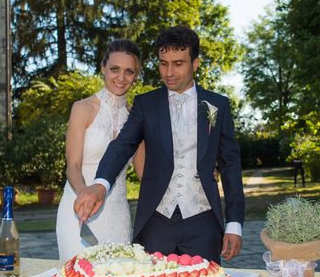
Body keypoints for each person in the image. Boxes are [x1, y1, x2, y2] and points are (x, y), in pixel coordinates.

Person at [74, 26, 245, 264]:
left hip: (203, 222)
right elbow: (122, 146)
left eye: (178, 63)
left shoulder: (218, 105)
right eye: (163, 63)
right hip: (156, 223)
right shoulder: (146, 104)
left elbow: (230, 167)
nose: (169, 72)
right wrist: (100, 184)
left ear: (195, 63)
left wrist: (234, 223)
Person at [56, 39, 144, 261]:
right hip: (79, 209)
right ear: (103, 67)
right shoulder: (83, 108)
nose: (121, 78)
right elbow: (73, 166)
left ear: (137, 75)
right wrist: (86, 195)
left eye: (129, 71)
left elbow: (145, 173)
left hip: (118, 217)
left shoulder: (138, 118)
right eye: (115, 69)